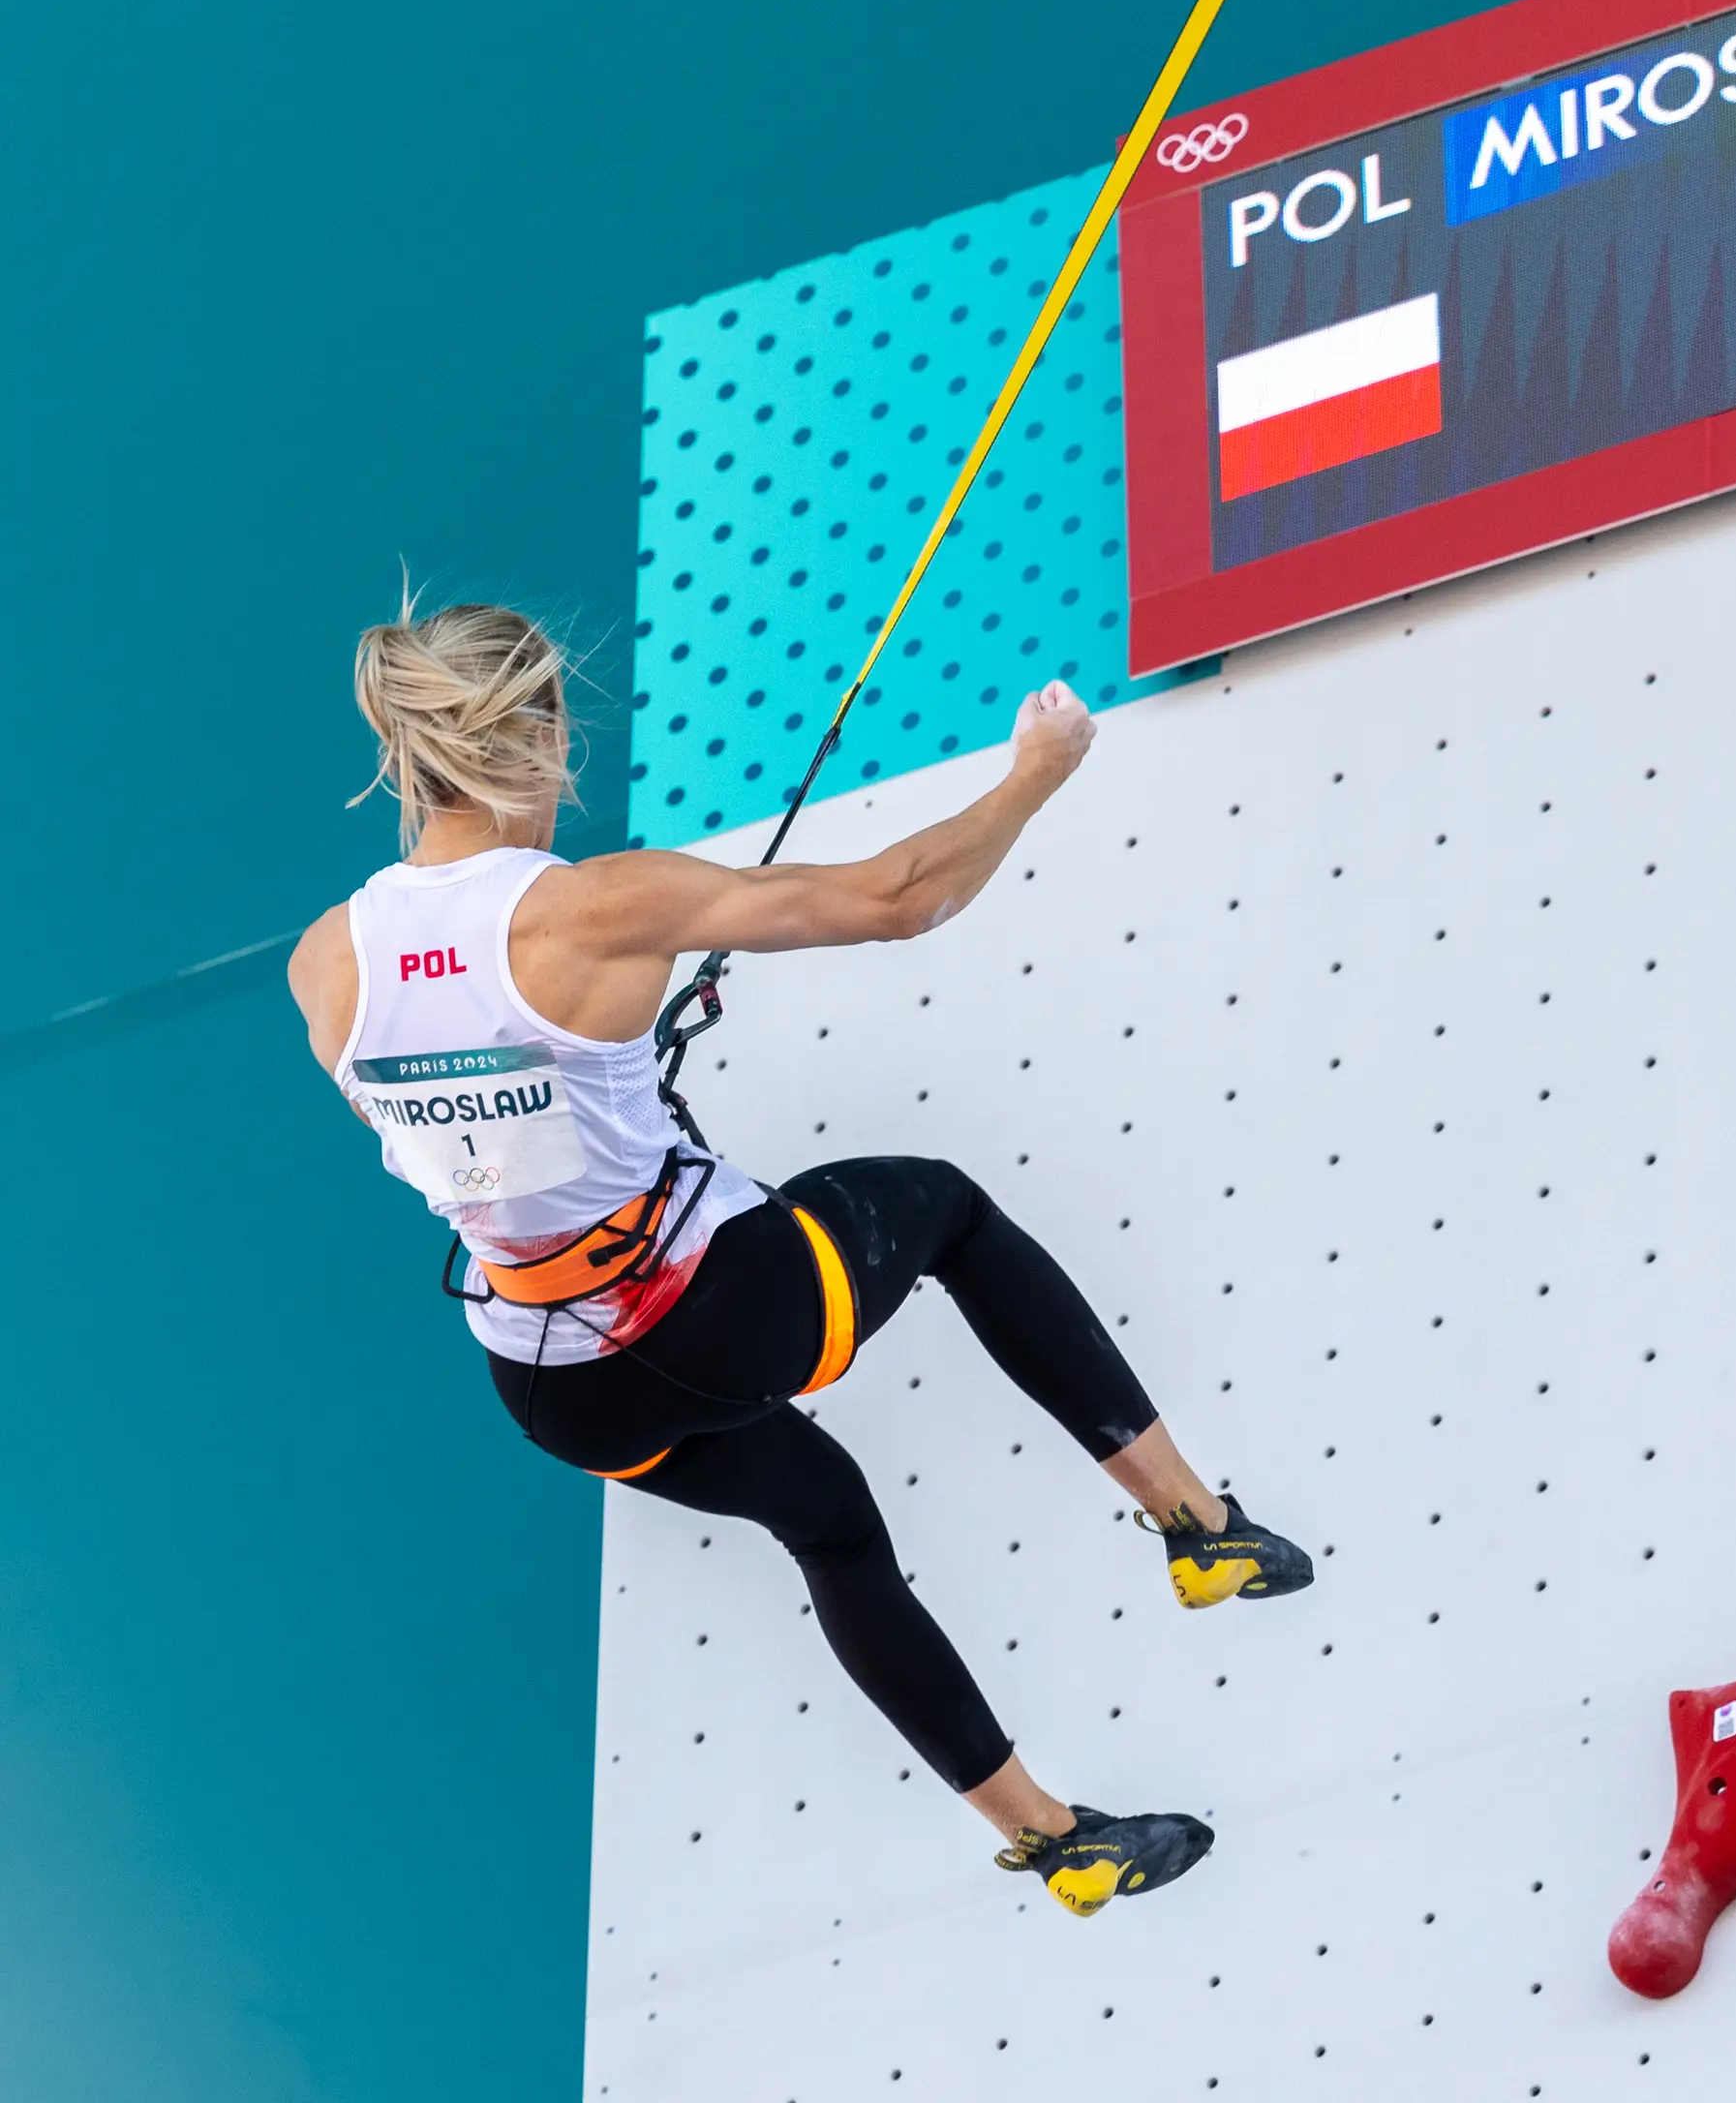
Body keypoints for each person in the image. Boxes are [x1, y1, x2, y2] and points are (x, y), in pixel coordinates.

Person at [287, 600, 1308, 1919]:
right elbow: (900, 898)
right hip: (713, 1314)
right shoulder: (594, 908)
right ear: (532, 735)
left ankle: (1055, 1842)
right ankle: (1195, 1525)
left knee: (826, 1521)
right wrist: (1033, 776)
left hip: (555, 1389)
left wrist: (599, 1077)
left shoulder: (328, 967)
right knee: (946, 1212)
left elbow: (472, 1135)